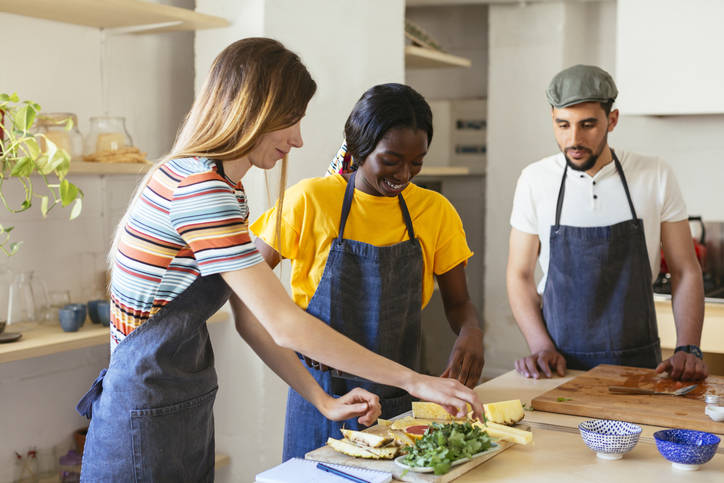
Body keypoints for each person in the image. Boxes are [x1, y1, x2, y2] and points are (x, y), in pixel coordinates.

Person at [75, 39, 483, 481]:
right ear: (252, 111)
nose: (298, 138)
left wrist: (323, 400)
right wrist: (416, 381)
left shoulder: (221, 187)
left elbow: (252, 319)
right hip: (144, 415)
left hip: (177, 404)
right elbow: (283, 322)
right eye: (290, 120)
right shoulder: (201, 190)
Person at [250, 83, 485, 460]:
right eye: (391, 161)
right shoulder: (309, 200)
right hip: (324, 398)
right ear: (359, 150)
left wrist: (472, 331)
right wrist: (296, 334)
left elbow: (459, 302)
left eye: (417, 162)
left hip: (400, 398)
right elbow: (250, 291)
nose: (405, 175)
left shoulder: (435, 211)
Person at [507, 64, 708, 382]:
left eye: (588, 125)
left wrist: (689, 347)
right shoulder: (535, 180)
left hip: (639, 363)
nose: (574, 139)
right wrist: (540, 345)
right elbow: (519, 274)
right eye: (563, 125)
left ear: (611, 120)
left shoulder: (654, 173)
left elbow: (685, 269)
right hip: (557, 365)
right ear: (552, 118)